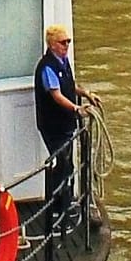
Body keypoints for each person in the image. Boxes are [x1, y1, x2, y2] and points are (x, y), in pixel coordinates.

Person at [33, 24, 97, 224]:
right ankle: (54, 206)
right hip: (53, 124)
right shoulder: (47, 67)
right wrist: (77, 109)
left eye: (68, 41)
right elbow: (56, 95)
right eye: (63, 42)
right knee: (61, 163)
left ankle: (64, 203)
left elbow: (69, 86)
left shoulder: (63, 62)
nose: (67, 45)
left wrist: (85, 93)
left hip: (65, 124)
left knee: (66, 163)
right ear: (52, 44)